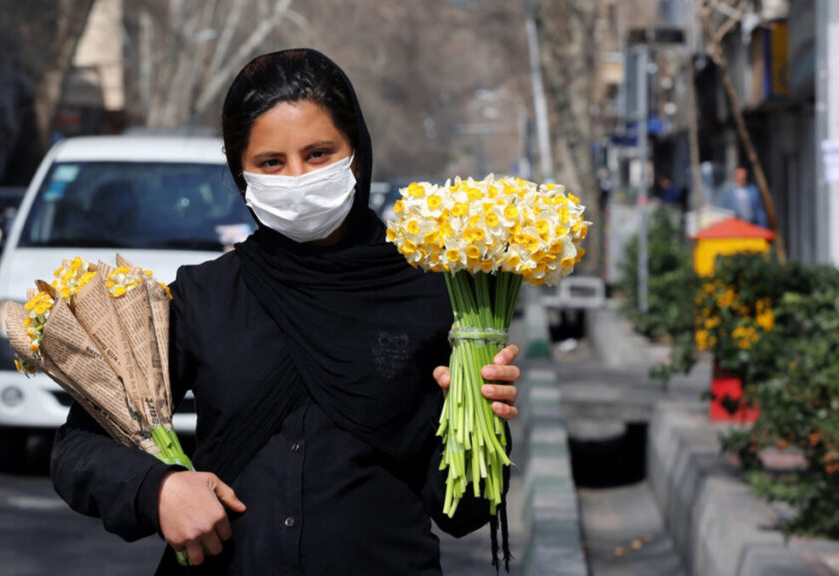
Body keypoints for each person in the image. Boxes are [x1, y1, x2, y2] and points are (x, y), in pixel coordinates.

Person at [50, 49, 522, 575]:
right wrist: (158, 489)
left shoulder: (434, 295)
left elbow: (460, 512)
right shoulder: (203, 296)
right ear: (241, 174)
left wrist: (480, 423)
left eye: (319, 153)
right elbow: (77, 448)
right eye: (271, 163)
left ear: (357, 155)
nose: (297, 178)